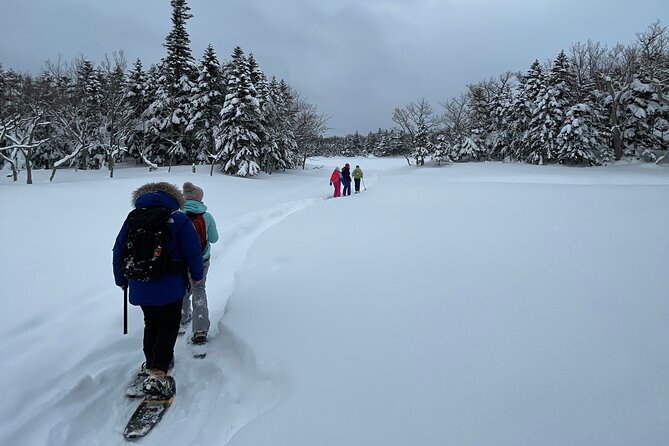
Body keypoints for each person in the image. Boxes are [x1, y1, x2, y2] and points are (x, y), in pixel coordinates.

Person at [113, 182, 204, 398]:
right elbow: (193, 252)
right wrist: (197, 276)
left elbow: (118, 250)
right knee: (168, 325)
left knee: (151, 323)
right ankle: (159, 371)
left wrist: (120, 279)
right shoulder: (179, 219)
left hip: (139, 281)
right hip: (170, 284)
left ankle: (151, 363)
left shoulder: (132, 219)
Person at [180, 182, 219, 345]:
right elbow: (214, 239)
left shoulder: (177, 215)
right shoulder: (207, 216)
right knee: (199, 289)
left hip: (180, 261)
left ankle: (183, 317)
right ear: (200, 198)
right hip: (202, 259)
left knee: (182, 288)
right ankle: (200, 329)